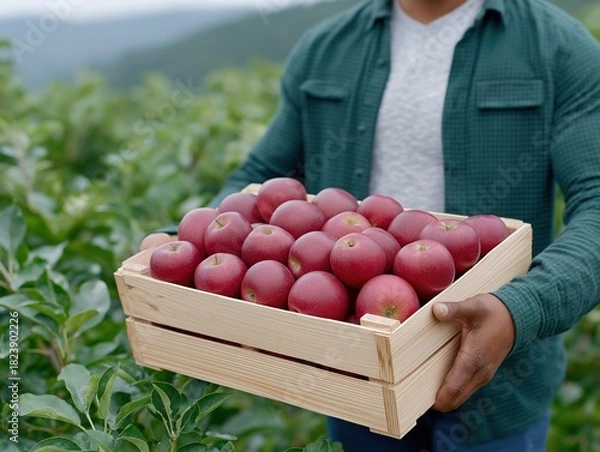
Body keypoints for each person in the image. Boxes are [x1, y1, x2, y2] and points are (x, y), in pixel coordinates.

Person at [142, 0, 600, 449]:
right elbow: (261, 180)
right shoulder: (326, 49)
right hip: (355, 370)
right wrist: (186, 242)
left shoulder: (556, 48)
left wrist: (521, 309)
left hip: (499, 383)